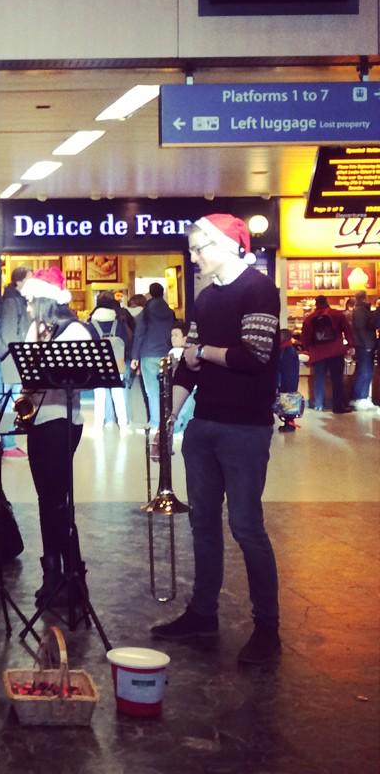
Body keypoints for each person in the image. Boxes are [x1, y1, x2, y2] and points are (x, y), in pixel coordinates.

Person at [151, 213, 281, 665]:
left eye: (199, 247)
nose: (194, 256)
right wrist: (168, 417)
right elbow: (189, 364)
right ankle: (202, 612)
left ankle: (267, 627)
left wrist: (201, 352)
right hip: (204, 425)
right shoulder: (204, 299)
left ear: (227, 244)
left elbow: (254, 356)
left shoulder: (259, 289)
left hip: (246, 428)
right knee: (202, 522)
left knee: (246, 526)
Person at [18, 267, 93, 608]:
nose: (29, 306)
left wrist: (41, 374)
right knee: (46, 500)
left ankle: (73, 575)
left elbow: (79, 377)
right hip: (40, 419)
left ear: (47, 300)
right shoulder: (39, 329)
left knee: (57, 501)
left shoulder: (74, 330)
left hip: (61, 421)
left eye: (33, 299)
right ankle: (54, 573)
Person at [130, 282, 175, 439]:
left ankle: (155, 423)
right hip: (166, 353)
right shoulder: (170, 312)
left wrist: (135, 356)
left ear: (150, 293)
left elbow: (140, 333)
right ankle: (168, 423)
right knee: (167, 390)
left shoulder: (147, 312)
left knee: (152, 391)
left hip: (148, 353)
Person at [0, 267, 32, 458]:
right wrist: (20, 355)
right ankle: (7, 444)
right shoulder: (12, 301)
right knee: (8, 399)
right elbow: (9, 333)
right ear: (19, 281)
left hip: (13, 356)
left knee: (8, 398)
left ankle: (4, 440)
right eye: (29, 278)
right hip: (12, 358)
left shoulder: (16, 299)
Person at [301, 295, 353, 414]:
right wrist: (349, 345)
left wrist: (308, 349)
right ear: (327, 302)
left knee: (319, 379)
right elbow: (347, 331)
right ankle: (338, 406)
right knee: (337, 379)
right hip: (336, 351)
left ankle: (319, 405)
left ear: (316, 304)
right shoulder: (337, 314)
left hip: (318, 353)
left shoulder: (309, 318)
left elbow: (305, 339)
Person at [88, 290, 132, 429]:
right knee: (118, 394)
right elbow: (125, 340)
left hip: (98, 363)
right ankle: (123, 423)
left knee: (99, 395)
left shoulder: (91, 322)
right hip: (116, 361)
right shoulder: (117, 322)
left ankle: (98, 423)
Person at [349, 290, 377, 409]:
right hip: (364, 345)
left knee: (363, 371)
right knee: (366, 372)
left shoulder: (360, 310)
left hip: (362, 345)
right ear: (365, 297)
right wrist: (368, 344)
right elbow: (361, 329)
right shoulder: (361, 310)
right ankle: (361, 398)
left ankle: (360, 397)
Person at [276, 329, 301, 433]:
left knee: (288, 401)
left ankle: (289, 424)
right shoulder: (286, 349)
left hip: (287, 382)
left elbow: (287, 370)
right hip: (287, 381)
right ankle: (288, 423)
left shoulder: (287, 351)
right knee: (287, 401)